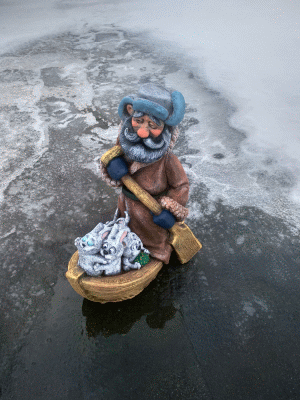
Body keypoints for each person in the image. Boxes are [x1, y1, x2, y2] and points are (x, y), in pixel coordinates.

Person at [99, 83, 189, 264]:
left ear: (165, 128)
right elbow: (110, 158)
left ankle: (153, 253)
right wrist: (112, 167)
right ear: (130, 113)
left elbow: (181, 185)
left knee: (151, 239)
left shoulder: (167, 160)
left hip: (151, 214)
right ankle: (122, 245)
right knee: (123, 229)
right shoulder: (125, 145)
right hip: (126, 204)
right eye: (138, 121)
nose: (142, 131)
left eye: (152, 125)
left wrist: (171, 208)